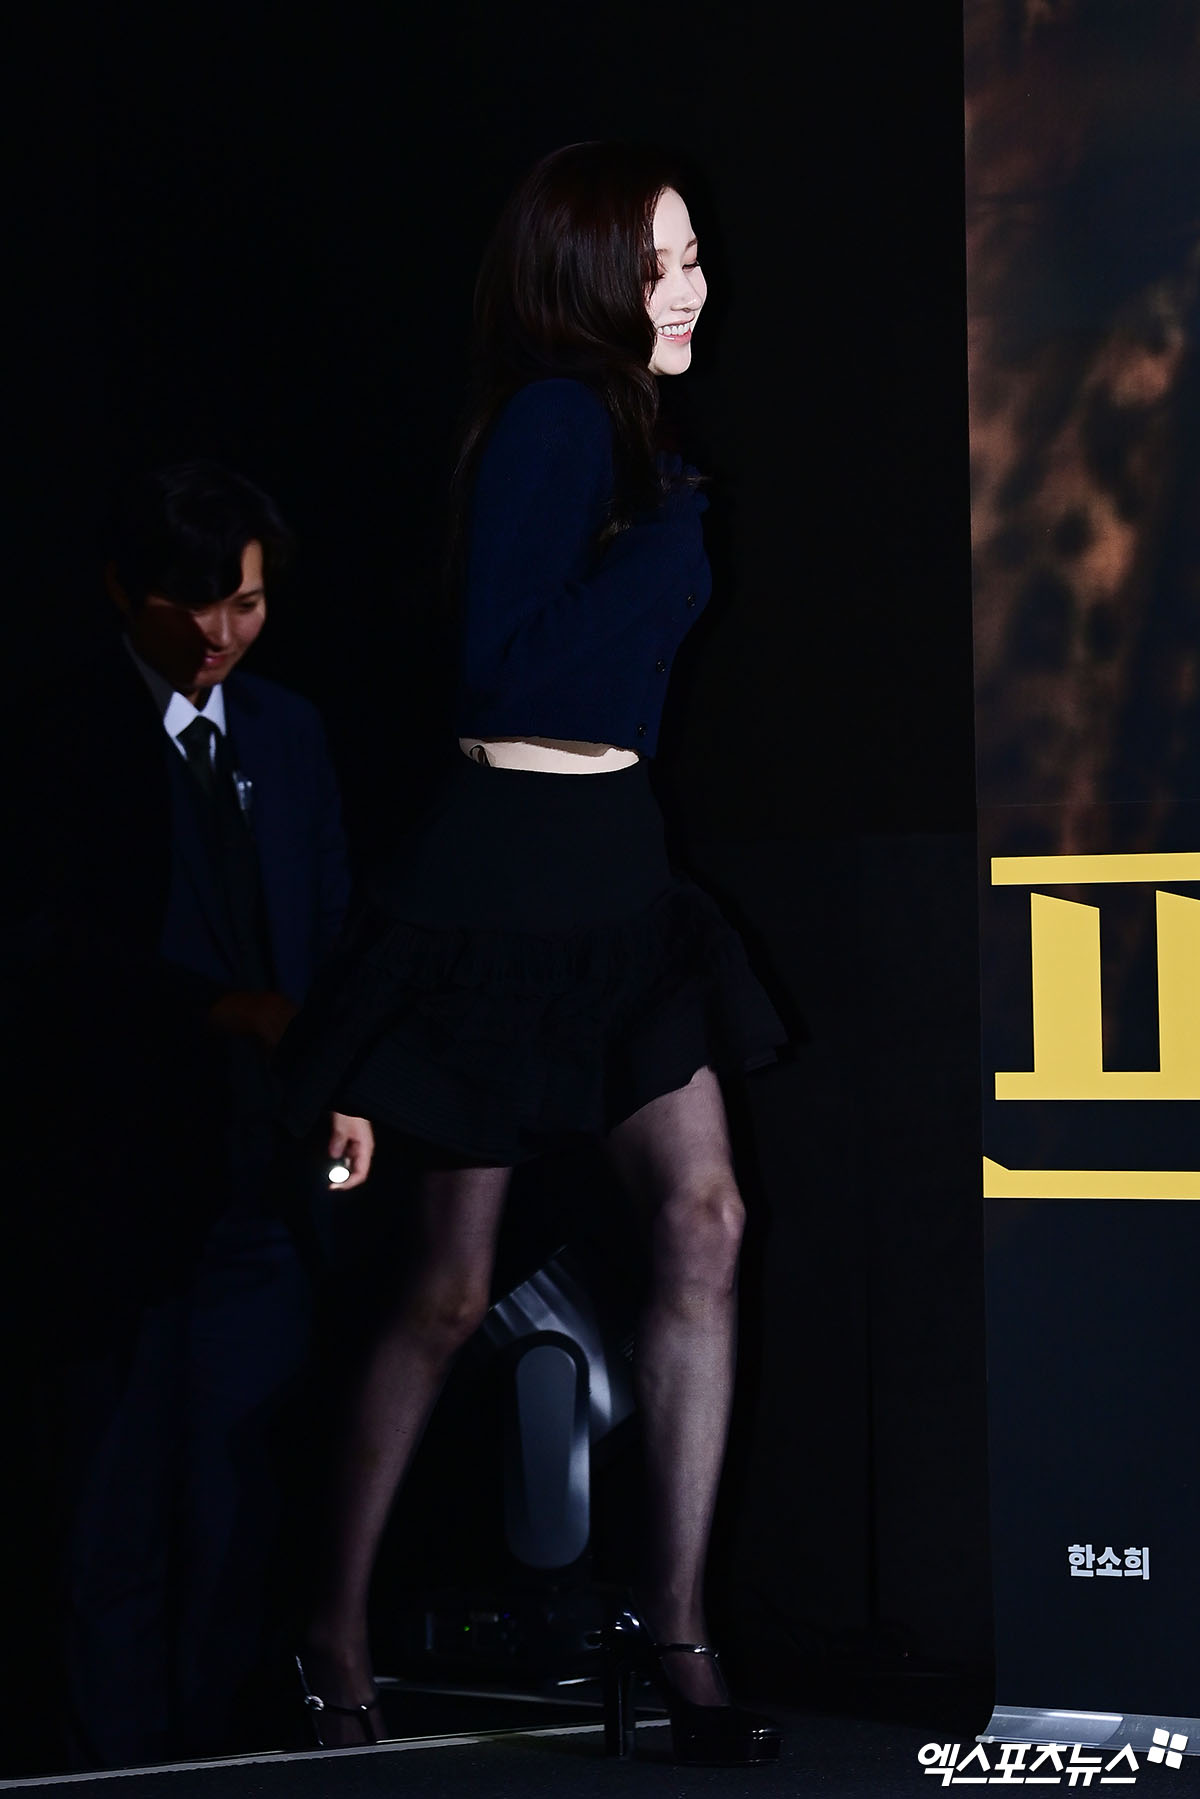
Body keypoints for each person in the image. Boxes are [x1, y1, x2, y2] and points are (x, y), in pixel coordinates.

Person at [274, 142, 786, 1766]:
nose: (690, 290)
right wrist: (664, 552)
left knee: (705, 1218)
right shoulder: (562, 420)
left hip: (621, 870)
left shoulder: (637, 437)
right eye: (659, 264)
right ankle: (332, 1633)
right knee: (444, 1292)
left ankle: (681, 1628)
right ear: (584, 279)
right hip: (502, 879)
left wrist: (665, 532)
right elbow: (500, 669)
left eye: (693, 258)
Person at [18, 462, 373, 1768]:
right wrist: (222, 1012)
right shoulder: (59, 736)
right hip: (113, 1173)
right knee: (114, 1493)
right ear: (126, 591)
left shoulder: (287, 732)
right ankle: (113, 1761)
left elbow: (329, 928)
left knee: (237, 1485)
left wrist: (342, 1086)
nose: (221, 632)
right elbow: (48, 950)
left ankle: (218, 1754)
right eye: (195, 604)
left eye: (248, 604)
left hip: (259, 1171)